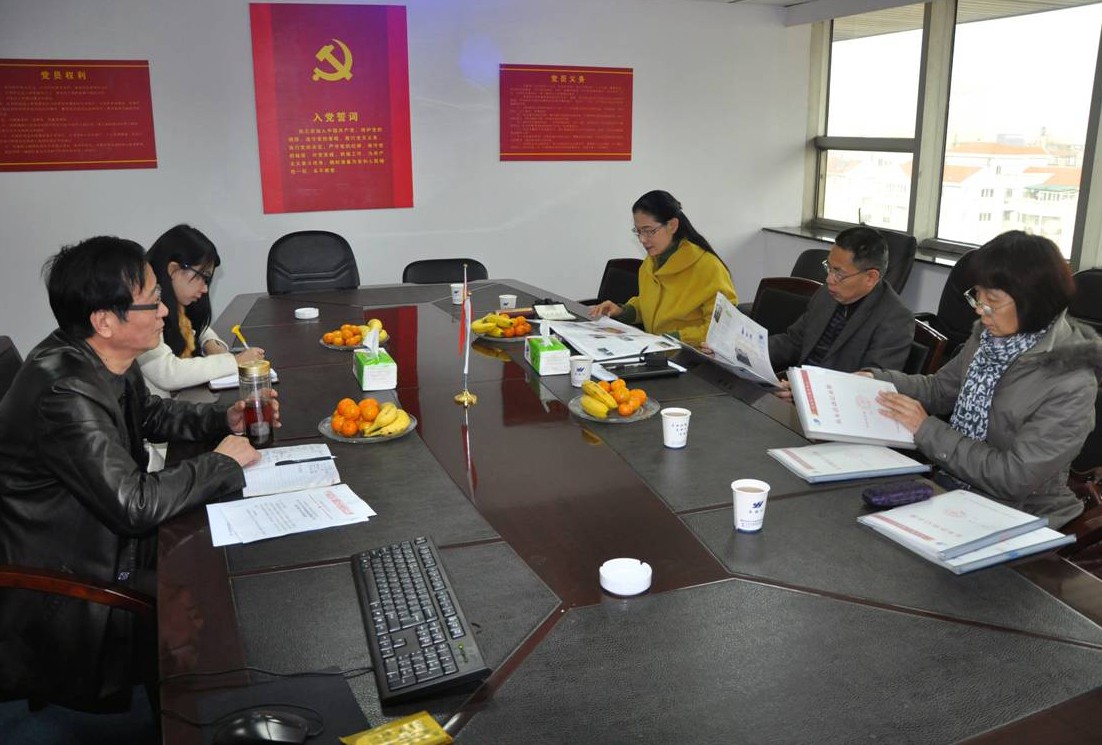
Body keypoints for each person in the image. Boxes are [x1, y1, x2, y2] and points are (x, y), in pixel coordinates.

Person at [0, 236, 277, 712]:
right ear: (105, 320)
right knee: (214, 591)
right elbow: (134, 505)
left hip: (102, 533)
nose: (165, 311)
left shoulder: (103, 354)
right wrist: (222, 462)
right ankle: (194, 719)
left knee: (229, 548)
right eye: (152, 301)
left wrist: (224, 419)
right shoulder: (65, 392)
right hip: (73, 568)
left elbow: (150, 414)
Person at [872, 231, 1102, 528]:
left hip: (1019, 514)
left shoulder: (1071, 382)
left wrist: (926, 429)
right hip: (954, 489)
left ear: (1033, 301)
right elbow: (940, 389)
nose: (980, 310)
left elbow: (1014, 478)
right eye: (977, 296)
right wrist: (875, 381)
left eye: (992, 301)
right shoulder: (989, 338)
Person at [588, 190, 737, 346]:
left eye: (649, 231)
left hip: (690, 353)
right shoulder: (650, 263)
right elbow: (649, 304)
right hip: (656, 349)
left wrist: (672, 338)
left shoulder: (708, 267)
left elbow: (722, 328)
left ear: (672, 225)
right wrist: (623, 311)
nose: (642, 239)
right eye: (638, 231)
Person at [768, 226, 915, 376]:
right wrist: (755, 349)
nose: (829, 279)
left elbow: (871, 383)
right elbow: (794, 342)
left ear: (871, 277)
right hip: (797, 380)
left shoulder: (895, 319)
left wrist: (805, 385)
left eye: (839, 273)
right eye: (829, 267)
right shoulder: (826, 294)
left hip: (831, 388)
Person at [138, 225, 264, 398]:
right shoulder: (145, 311)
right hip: (155, 412)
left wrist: (209, 343)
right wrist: (234, 361)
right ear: (173, 270)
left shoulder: (176, 303)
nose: (205, 289)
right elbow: (168, 373)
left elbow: (195, 326)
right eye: (202, 277)